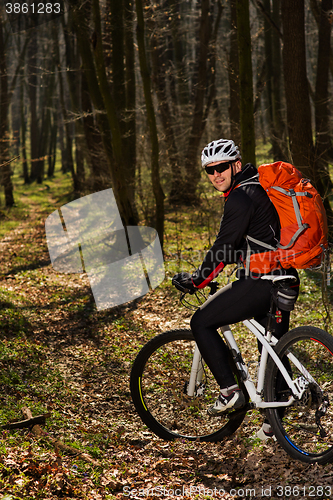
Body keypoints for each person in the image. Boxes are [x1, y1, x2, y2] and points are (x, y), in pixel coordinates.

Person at [173, 138, 299, 439]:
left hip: (261, 283)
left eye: (221, 167)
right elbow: (248, 242)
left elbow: (224, 246)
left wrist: (196, 280)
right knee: (271, 351)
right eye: (210, 170)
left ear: (236, 165)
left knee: (200, 321)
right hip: (285, 280)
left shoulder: (240, 197)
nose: (216, 174)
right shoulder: (257, 187)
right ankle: (273, 427)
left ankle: (230, 391)